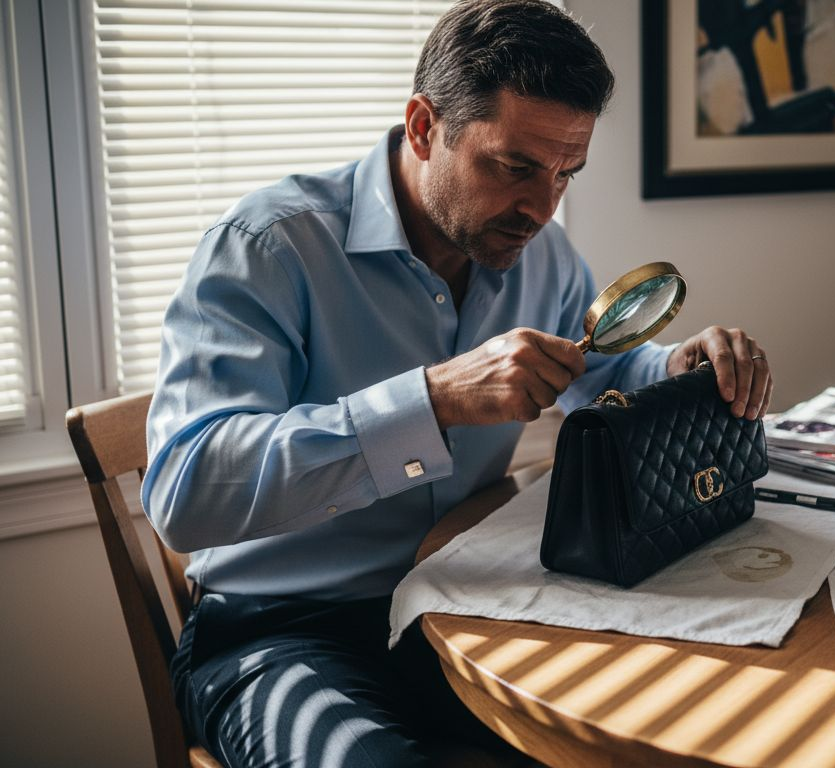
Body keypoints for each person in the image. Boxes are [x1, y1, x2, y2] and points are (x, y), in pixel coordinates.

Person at [141, 2, 772, 766]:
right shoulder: (267, 249)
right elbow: (183, 491)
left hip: (469, 606)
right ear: (421, 127)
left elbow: (596, 369)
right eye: (514, 168)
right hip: (280, 632)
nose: (542, 208)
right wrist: (432, 400)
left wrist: (674, 366)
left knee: (677, 725)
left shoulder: (541, 255)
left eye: (565, 173)